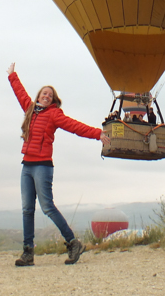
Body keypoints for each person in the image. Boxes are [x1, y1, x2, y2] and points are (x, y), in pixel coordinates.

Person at [7, 62, 110, 267]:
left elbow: (74, 127)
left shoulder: (54, 115)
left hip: (42, 166)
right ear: (38, 97)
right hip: (26, 166)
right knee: (27, 209)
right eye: (43, 93)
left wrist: (97, 134)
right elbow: (20, 93)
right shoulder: (30, 110)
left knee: (47, 207)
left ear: (53, 101)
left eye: (50, 95)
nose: (46, 96)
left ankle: (73, 243)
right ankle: (28, 254)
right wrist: (12, 76)